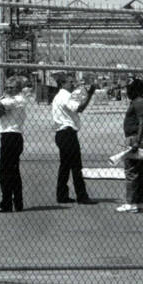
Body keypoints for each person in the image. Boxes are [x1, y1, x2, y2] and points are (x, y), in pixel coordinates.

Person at [51, 73, 97, 205]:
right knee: (76, 166)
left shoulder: (59, 96)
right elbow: (80, 108)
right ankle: (81, 196)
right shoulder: (65, 96)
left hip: (62, 133)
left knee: (65, 165)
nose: (73, 84)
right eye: (70, 82)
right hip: (68, 133)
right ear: (63, 83)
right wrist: (90, 94)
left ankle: (62, 195)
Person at [0, 76, 28, 212]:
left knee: (5, 172)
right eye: (7, 87)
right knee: (13, 171)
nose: (8, 90)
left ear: (18, 89)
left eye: (12, 87)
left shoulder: (18, 99)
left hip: (12, 136)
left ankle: (6, 203)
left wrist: (0, 98)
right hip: (9, 136)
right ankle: (17, 202)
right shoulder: (11, 101)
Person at [119, 76, 143, 213]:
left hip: (135, 139)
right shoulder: (139, 101)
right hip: (137, 138)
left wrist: (137, 141)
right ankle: (141, 202)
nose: (127, 91)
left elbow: (142, 122)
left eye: (129, 89)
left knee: (131, 171)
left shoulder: (138, 102)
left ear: (136, 90)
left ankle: (131, 203)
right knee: (140, 171)